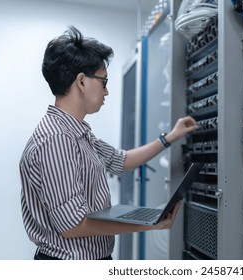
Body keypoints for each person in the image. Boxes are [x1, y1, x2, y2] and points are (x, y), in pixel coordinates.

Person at [19, 26, 198, 260]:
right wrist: (150, 224)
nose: (107, 92)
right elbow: (73, 226)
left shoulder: (77, 133)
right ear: (81, 81)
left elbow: (120, 161)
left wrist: (170, 137)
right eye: (103, 82)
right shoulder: (57, 139)